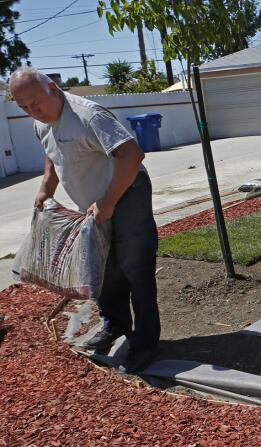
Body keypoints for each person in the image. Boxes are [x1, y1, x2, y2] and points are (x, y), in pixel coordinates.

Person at [10, 68, 160, 373]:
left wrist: (108, 201)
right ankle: (115, 325)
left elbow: (132, 155)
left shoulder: (89, 115)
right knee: (102, 266)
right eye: (23, 108)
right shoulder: (42, 122)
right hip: (94, 204)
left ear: (53, 87)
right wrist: (46, 187)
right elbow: (53, 153)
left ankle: (144, 343)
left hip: (127, 193)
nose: (32, 112)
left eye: (35, 104)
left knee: (135, 267)